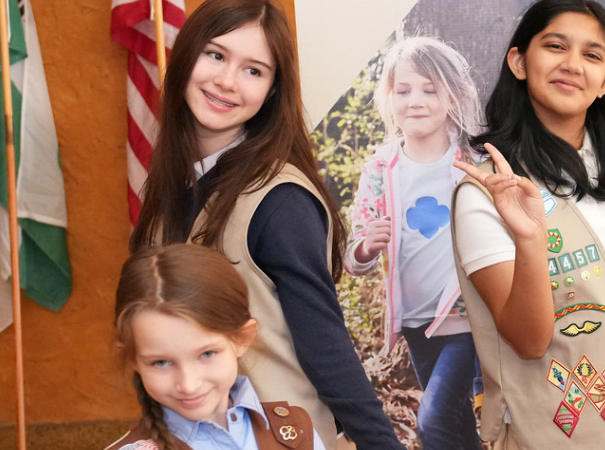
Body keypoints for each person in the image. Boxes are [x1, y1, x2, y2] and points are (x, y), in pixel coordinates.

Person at [127, 0, 402, 447]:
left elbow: (326, 348)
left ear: (273, 89)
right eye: (215, 55)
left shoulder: (280, 201)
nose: (226, 81)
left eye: (254, 70)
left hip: (280, 437)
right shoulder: (174, 185)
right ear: (186, 55)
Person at [448, 1, 605, 448]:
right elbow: (529, 340)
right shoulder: (486, 194)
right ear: (519, 62)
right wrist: (531, 238)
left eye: (592, 55)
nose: (573, 65)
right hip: (563, 429)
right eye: (555, 46)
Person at [342, 36, 486, 449]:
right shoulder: (381, 167)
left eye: (429, 89)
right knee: (457, 424)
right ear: (389, 98)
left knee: (434, 420)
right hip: (415, 322)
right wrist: (367, 246)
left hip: (465, 320)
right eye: (403, 91)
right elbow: (356, 255)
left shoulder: (473, 161)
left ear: (453, 94)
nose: (415, 101)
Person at [105, 244, 320, 450]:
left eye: (207, 354)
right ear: (133, 359)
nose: (188, 385)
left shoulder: (293, 431)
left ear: (241, 339)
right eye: (161, 362)